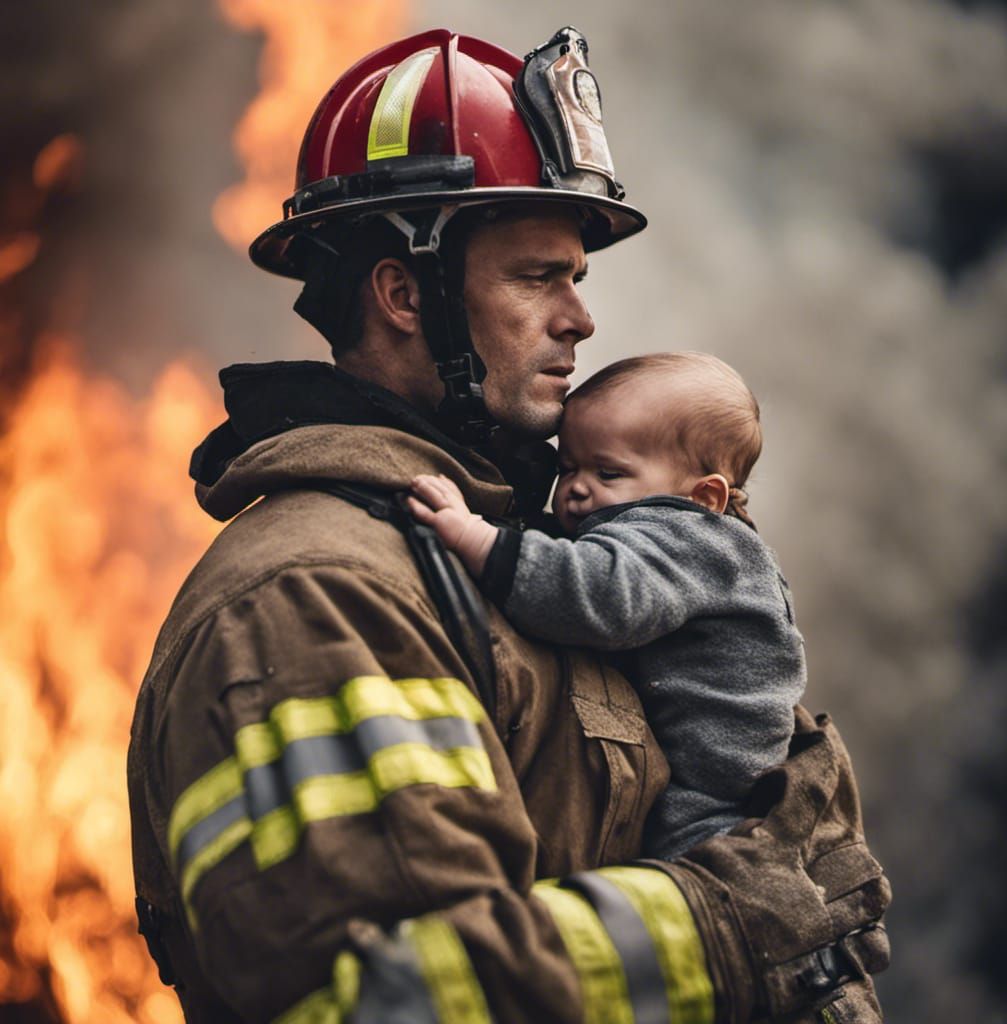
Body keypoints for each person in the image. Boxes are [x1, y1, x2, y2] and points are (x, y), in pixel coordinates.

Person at [127, 27, 890, 1024]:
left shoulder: (529, 547)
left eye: (577, 278)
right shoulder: (315, 594)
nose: (579, 318)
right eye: (536, 277)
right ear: (406, 295)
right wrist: (733, 928)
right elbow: (399, 996)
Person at [407, 351, 807, 858]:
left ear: (705, 498)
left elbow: (600, 594)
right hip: (707, 776)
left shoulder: (687, 538)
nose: (576, 489)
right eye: (568, 467)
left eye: (609, 473)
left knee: (693, 877)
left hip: (711, 798)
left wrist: (478, 539)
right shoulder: (684, 532)